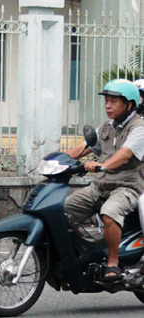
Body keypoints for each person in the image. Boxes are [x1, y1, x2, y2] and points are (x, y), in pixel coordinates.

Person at [64, 79, 144, 282]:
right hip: (100, 185)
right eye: (106, 101)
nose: (108, 106)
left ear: (130, 104)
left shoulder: (139, 128)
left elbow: (125, 154)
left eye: (114, 101)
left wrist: (104, 165)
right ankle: (77, 255)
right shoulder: (105, 128)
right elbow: (81, 149)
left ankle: (113, 263)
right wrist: (56, 161)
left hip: (128, 187)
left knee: (109, 212)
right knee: (62, 208)